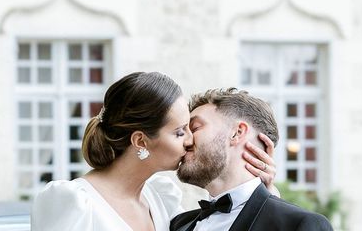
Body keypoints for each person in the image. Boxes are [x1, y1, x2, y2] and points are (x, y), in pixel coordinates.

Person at [31, 73, 278, 231]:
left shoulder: (161, 199)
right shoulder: (74, 202)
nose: (190, 141)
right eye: (180, 132)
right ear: (140, 141)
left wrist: (265, 198)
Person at [172, 88, 333, 231]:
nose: (186, 140)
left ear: (237, 133)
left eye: (195, 128)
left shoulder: (300, 224)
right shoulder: (179, 224)